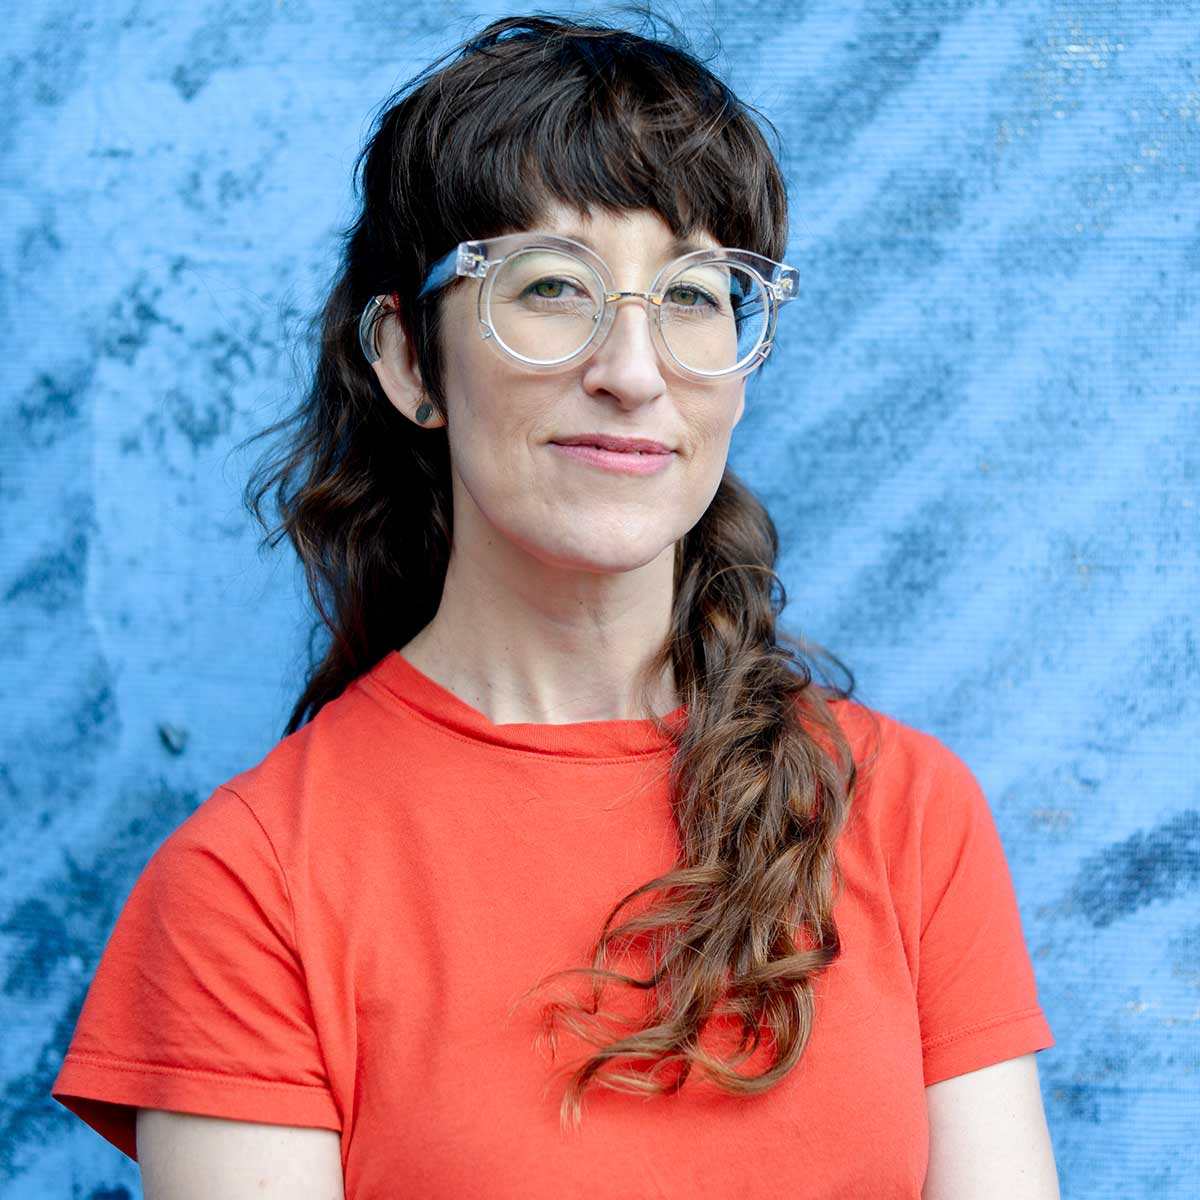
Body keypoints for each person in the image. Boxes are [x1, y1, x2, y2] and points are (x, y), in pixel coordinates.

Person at [51, 13, 1060, 1198]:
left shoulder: (907, 815)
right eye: (547, 287)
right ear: (408, 361)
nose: (633, 372)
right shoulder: (249, 884)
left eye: (693, 297)